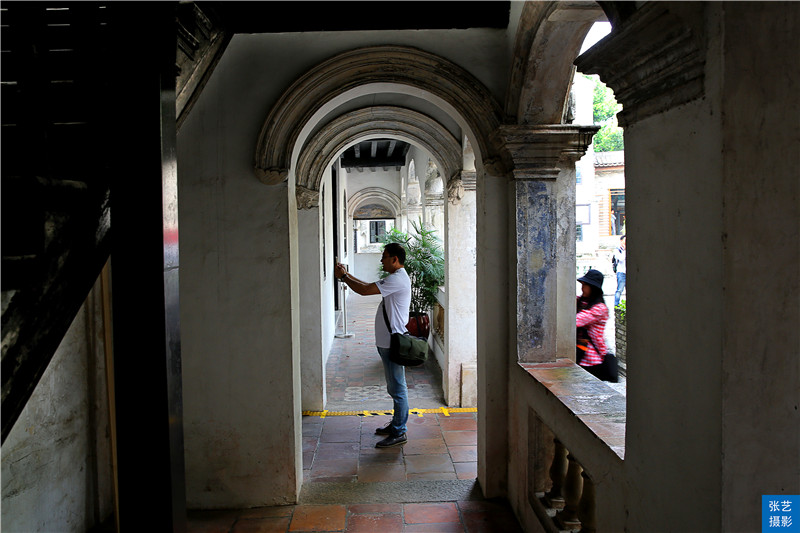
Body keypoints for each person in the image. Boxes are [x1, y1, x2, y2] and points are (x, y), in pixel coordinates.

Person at [334, 242, 411, 448]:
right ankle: (396, 424)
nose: (381, 260)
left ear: (395, 259)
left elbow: (365, 290)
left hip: (392, 342)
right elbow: (368, 285)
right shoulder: (396, 277)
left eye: (384, 256)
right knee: (394, 386)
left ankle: (399, 431)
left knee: (398, 388)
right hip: (387, 341)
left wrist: (343, 277)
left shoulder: (397, 279)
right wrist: (346, 275)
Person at [576, 269, 610, 381]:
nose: (582, 288)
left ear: (593, 288)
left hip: (591, 358)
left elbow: (576, 320)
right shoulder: (583, 302)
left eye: (585, 285)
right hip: (580, 354)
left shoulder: (600, 309)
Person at [612, 235, 626, 307]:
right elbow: (621, 258)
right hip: (621, 272)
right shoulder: (617, 250)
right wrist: (624, 250)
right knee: (619, 290)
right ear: (621, 241)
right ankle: (616, 305)